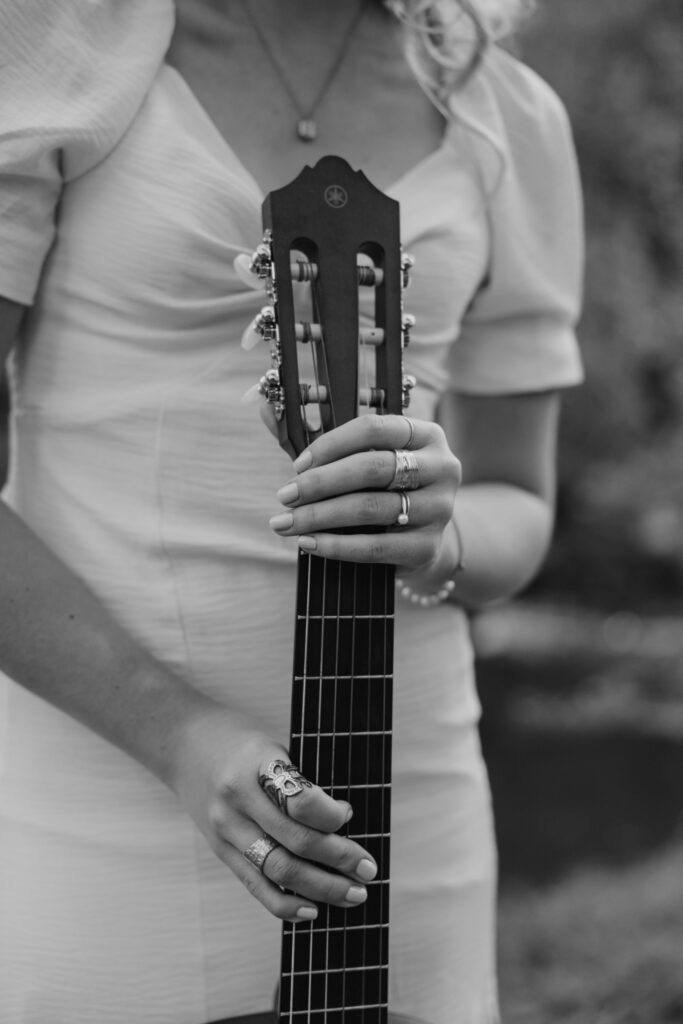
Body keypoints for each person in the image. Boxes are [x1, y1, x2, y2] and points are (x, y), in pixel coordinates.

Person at [0, 1, 583, 1021]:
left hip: (400, 815)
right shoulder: (53, 43)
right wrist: (179, 736)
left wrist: (438, 535)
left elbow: (520, 501)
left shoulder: (505, 112)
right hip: (104, 797)